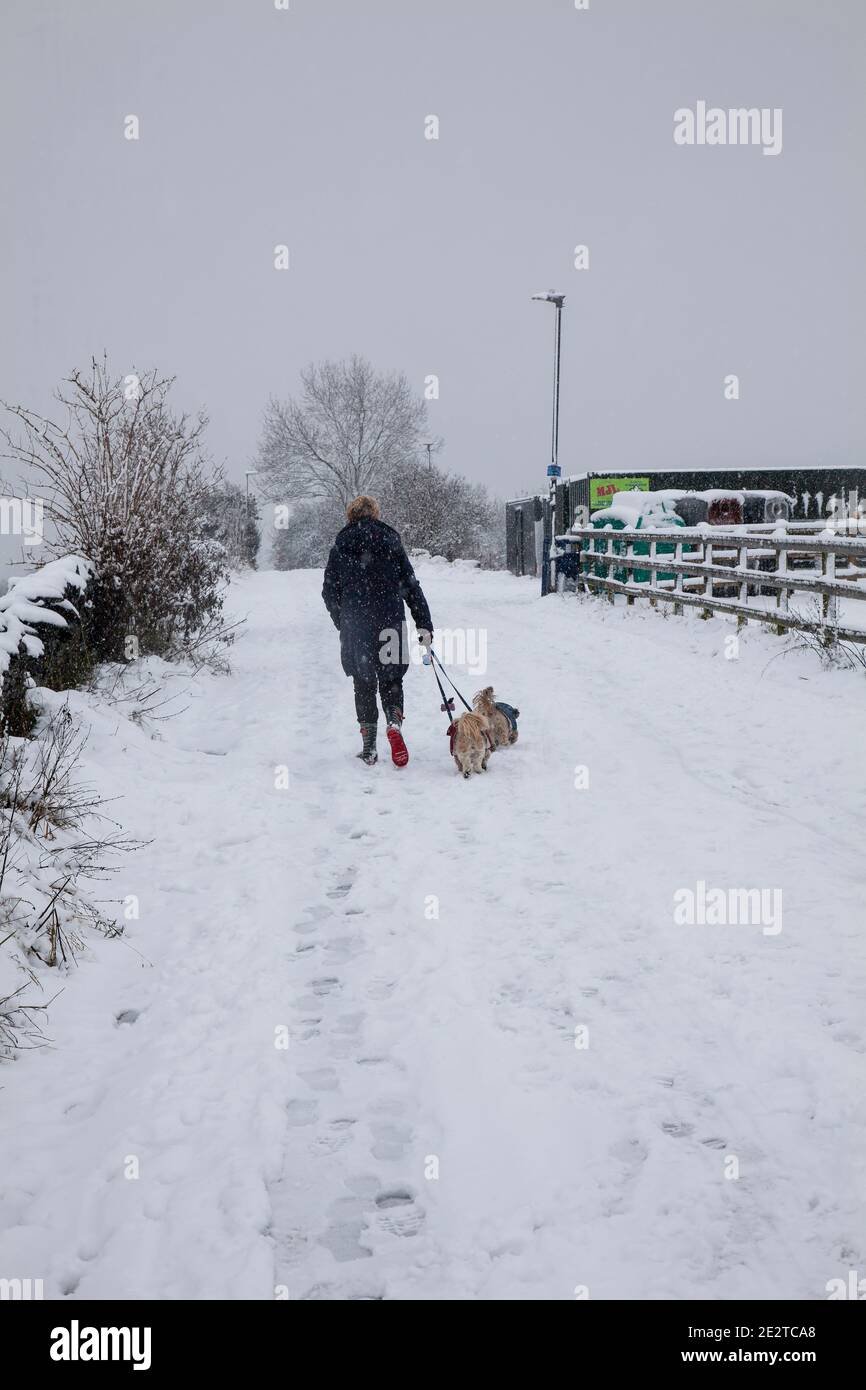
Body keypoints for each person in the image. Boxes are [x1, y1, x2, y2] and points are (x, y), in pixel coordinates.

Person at [322, 495, 433, 767]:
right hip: (389, 622)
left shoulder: (341, 545)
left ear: (351, 515)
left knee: (363, 683)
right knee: (392, 679)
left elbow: (328, 591)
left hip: (356, 626)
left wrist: (342, 621)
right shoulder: (391, 541)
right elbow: (411, 586)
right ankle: (394, 723)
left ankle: (369, 746)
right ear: (375, 514)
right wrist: (424, 625)